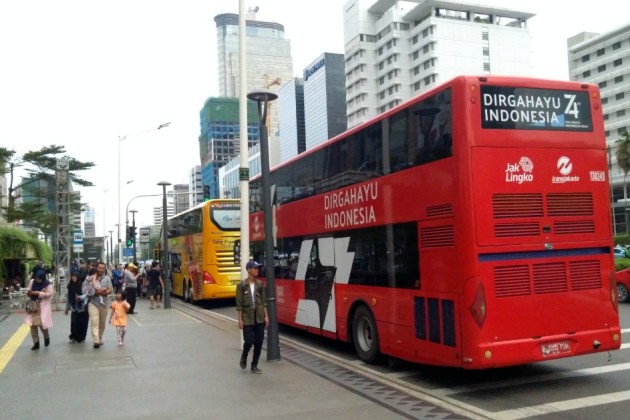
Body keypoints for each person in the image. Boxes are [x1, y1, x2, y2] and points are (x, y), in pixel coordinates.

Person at [236, 261, 269, 374]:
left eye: (257, 268)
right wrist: (240, 319)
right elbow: (239, 304)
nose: (257, 270)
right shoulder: (241, 286)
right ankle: (244, 355)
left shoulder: (260, 284)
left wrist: (266, 316)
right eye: (254, 268)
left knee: (259, 343)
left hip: (259, 317)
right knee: (249, 341)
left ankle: (254, 365)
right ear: (248, 270)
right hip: (247, 317)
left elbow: (264, 302)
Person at [83, 261, 113, 348]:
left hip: (103, 304)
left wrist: (104, 292)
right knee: (94, 322)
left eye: (103, 268)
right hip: (93, 303)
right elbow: (86, 289)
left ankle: (99, 337)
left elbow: (110, 290)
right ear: (97, 268)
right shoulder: (90, 278)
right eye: (100, 268)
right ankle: (96, 340)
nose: (101, 269)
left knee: (102, 323)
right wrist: (95, 290)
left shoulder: (107, 279)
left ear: (105, 269)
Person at [24, 270, 54, 351]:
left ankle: (46, 336)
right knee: (32, 324)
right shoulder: (32, 281)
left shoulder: (47, 284)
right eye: (36, 278)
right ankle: (36, 342)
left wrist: (39, 293)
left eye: (39, 278)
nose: (37, 280)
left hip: (42, 305)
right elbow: (28, 290)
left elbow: (50, 294)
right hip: (33, 305)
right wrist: (29, 292)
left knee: (41, 324)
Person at [65, 271, 89, 343]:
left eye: (75, 276)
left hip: (83, 308)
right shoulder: (69, 286)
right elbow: (68, 298)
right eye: (73, 276)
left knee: (83, 323)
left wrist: (80, 297)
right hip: (74, 308)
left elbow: (86, 295)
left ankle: (82, 338)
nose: (74, 277)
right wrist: (67, 307)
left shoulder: (83, 286)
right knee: (74, 323)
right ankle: (73, 337)